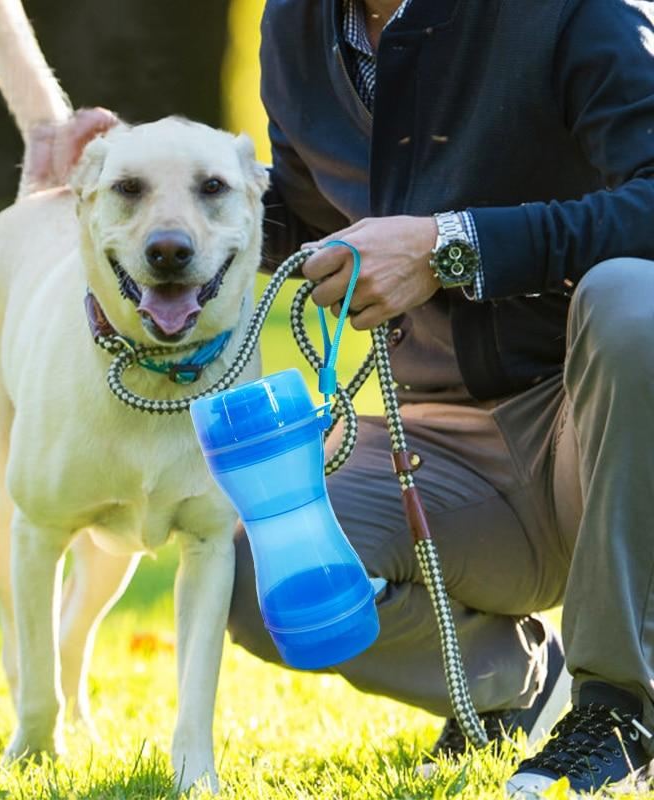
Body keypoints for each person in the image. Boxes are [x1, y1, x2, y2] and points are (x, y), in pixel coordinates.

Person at [224, 0, 654, 795]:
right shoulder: (295, 23)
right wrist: (153, 179)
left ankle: (620, 708)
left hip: (595, 420)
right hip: (436, 448)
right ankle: (515, 685)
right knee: (245, 565)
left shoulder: (577, 10)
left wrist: (450, 246)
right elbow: (307, 212)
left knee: (637, 301)